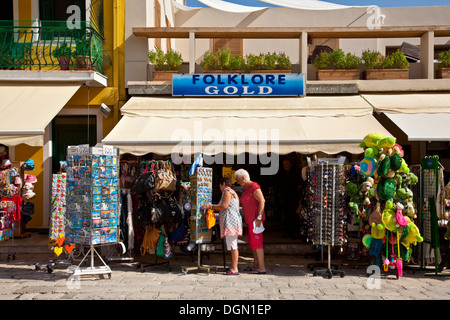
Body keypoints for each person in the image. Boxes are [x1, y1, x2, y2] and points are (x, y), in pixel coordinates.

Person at [201, 177, 242, 275]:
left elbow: (224, 206)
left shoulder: (227, 191)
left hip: (230, 222)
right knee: (233, 244)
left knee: (233, 245)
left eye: (220, 186)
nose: (220, 188)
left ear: (223, 184)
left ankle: (235, 268)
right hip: (233, 221)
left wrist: (210, 206)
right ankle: (233, 266)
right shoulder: (234, 192)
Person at [234, 168, 266, 274]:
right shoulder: (247, 188)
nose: (238, 183)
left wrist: (259, 217)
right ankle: (256, 265)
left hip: (255, 220)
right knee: (253, 244)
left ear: (243, 178)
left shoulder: (254, 186)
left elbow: (262, 201)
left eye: (238, 180)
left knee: (257, 243)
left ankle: (261, 267)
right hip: (250, 220)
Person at [277, 158, 302, 239]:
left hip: (294, 197)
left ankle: (295, 233)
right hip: (286, 197)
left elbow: (299, 185)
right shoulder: (283, 173)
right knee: (287, 215)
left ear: (291, 164)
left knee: (294, 216)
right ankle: (288, 232)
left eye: (287, 164)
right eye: (284, 164)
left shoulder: (295, 173)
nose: (285, 166)